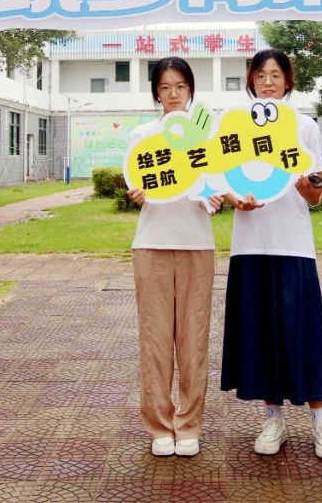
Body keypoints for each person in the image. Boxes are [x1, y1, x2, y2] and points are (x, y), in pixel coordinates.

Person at [222, 49, 322, 460]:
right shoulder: (234, 126)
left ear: (288, 81)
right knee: (260, 331)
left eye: (275, 75)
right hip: (250, 243)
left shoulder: (304, 126)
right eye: (261, 75)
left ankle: (320, 420)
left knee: (302, 329)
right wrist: (236, 200)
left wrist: (310, 187)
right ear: (250, 81)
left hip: (293, 243)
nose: (268, 82)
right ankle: (273, 418)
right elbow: (222, 179)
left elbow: (314, 194)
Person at [125, 57, 224, 458]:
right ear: (156, 93)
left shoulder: (207, 136)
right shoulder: (143, 136)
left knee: (193, 340)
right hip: (151, 245)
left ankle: (189, 425)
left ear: (191, 90)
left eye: (180, 86)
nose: (173, 94)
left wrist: (215, 197)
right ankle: (158, 426)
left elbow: (217, 185)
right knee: (155, 340)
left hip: (197, 245)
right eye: (165, 87)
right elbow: (136, 181)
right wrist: (136, 194)